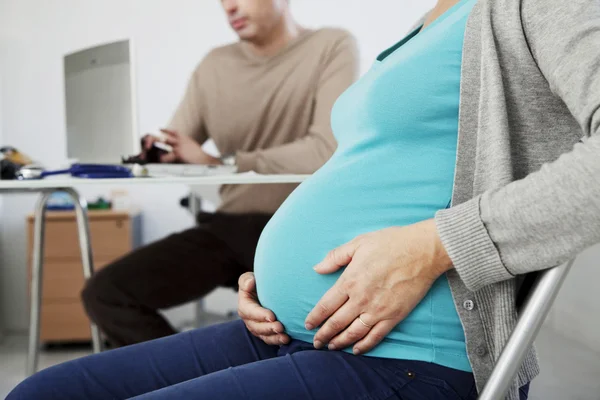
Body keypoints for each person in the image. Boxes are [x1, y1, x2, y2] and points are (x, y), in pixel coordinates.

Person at [9, 0, 600, 399]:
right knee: (39, 393)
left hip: (408, 354)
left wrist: (436, 244)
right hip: (279, 328)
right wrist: (274, 274)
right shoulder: (428, 22)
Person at [80, 0, 359, 347]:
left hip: (297, 226)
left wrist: (223, 161)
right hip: (230, 226)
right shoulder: (215, 65)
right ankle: (187, 384)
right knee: (105, 292)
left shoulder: (331, 45)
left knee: (301, 332)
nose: (229, 7)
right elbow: (181, 141)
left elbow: (324, 149)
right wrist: (162, 153)